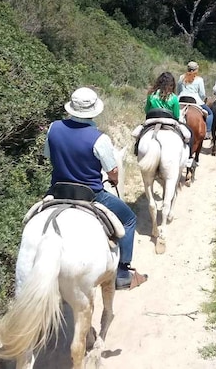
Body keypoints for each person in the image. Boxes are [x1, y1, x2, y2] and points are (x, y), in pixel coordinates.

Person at [43, 87, 147, 290]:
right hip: (91, 194)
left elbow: (49, 156)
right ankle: (123, 273)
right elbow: (113, 171)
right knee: (129, 220)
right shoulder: (99, 138)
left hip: (57, 191)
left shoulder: (53, 128)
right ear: (93, 110)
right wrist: (114, 179)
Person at [177, 61, 213, 136]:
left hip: (181, 99)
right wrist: (202, 99)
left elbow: (179, 90)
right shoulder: (199, 79)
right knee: (210, 113)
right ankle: (208, 132)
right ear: (196, 69)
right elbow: (202, 94)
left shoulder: (181, 77)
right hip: (194, 100)